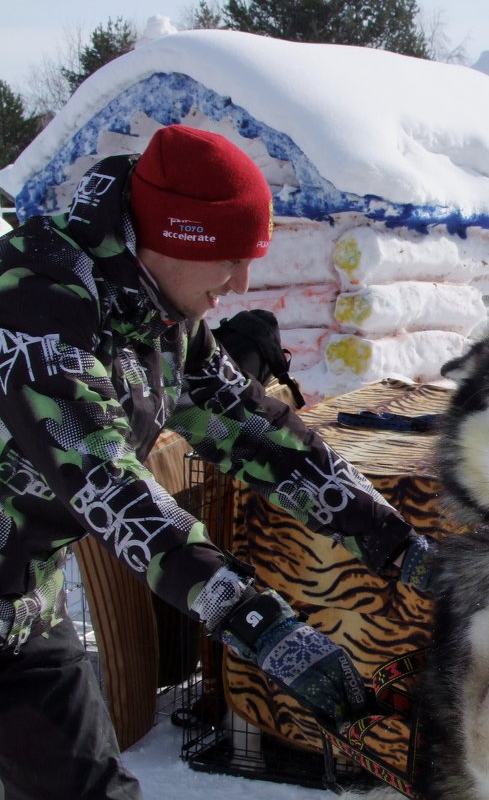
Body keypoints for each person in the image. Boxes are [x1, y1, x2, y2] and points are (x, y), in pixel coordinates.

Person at [0, 124, 432, 800]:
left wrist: (399, 544)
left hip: (19, 600)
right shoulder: (37, 301)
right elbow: (105, 477)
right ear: (173, 237)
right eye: (229, 256)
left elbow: (252, 428)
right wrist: (257, 619)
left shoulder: (160, 312)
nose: (241, 282)